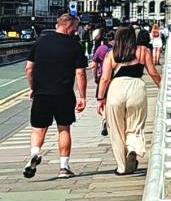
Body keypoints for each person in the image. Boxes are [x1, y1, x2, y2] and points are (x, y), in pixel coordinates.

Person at [23, 13, 87, 179]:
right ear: (68, 26)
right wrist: (83, 97)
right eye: (75, 28)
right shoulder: (75, 46)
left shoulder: (40, 42)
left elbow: (29, 69)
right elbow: (80, 73)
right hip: (64, 95)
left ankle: (35, 153)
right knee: (64, 129)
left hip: (42, 93)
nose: (76, 31)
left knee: (38, 129)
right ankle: (64, 168)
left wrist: (33, 87)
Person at [97, 26, 161, 175]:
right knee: (136, 125)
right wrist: (162, 87)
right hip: (136, 88)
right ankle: (133, 148)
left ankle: (122, 167)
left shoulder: (111, 54)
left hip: (116, 90)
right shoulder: (143, 51)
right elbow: (154, 73)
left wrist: (101, 98)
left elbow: (105, 78)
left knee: (117, 130)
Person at [91, 32, 114, 136]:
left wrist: (95, 77)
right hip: (116, 77)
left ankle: (105, 119)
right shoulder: (120, 48)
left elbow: (94, 65)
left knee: (103, 101)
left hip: (103, 76)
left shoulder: (101, 49)